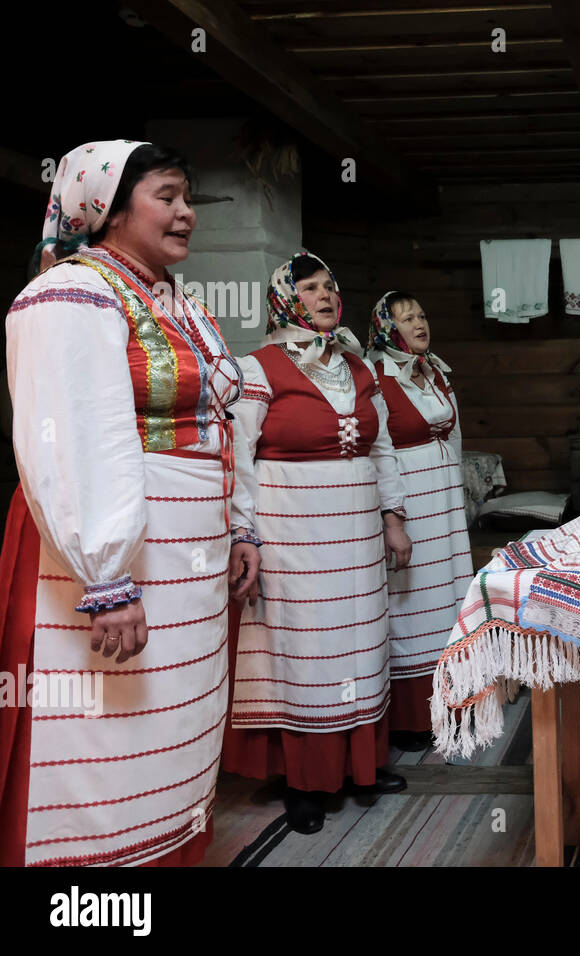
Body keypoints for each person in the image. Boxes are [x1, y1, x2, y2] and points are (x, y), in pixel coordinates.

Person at [0, 140, 260, 866]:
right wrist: (107, 576)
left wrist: (239, 527)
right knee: (102, 730)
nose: (186, 216)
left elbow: (221, 427)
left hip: (187, 556)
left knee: (167, 729)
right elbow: (72, 438)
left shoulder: (176, 301)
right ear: (108, 211)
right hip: (105, 562)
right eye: (168, 198)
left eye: (186, 201)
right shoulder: (70, 295)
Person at [221, 253, 411, 834]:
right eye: (309, 288)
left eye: (330, 285)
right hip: (293, 536)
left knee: (361, 642)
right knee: (305, 655)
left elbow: (382, 449)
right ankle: (306, 782)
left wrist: (393, 517)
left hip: (355, 534)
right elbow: (239, 461)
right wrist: (242, 533)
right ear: (285, 298)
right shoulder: (255, 370)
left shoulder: (359, 367)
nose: (325, 295)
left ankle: (362, 767)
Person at [366, 291, 473, 750]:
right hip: (412, 502)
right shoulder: (376, 377)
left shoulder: (438, 373)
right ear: (386, 329)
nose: (418, 323)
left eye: (422, 314)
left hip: (446, 504)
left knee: (451, 597)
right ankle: (413, 717)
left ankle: (456, 703)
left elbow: (458, 438)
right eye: (406, 318)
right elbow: (380, 451)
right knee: (413, 605)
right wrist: (394, 518)